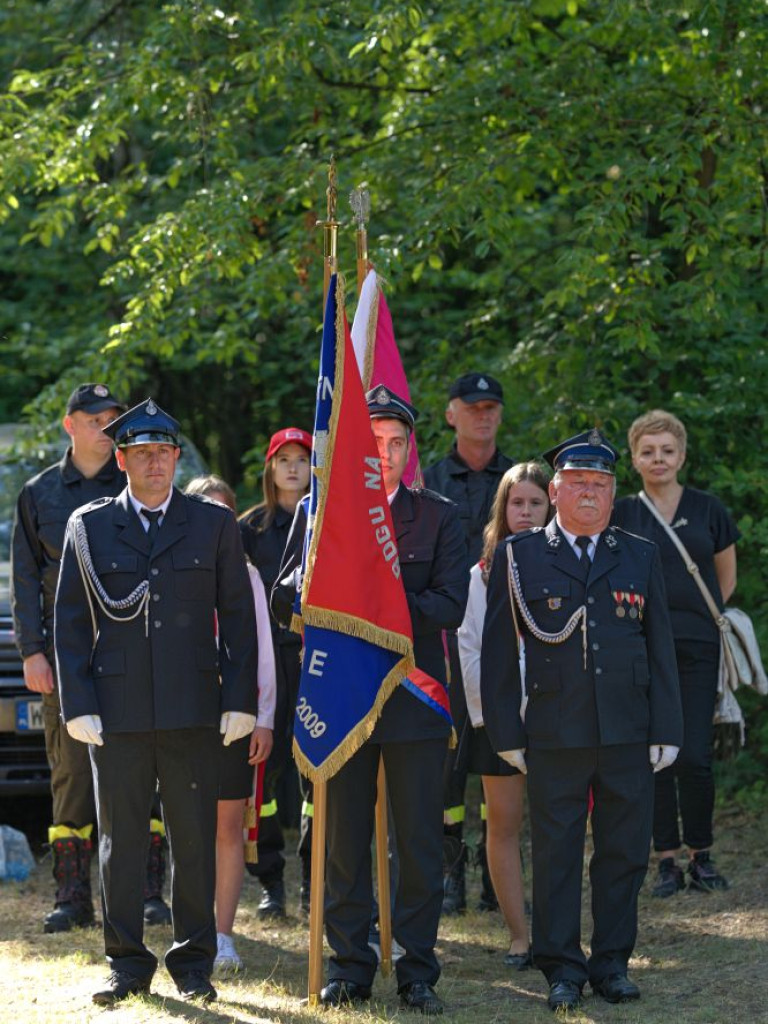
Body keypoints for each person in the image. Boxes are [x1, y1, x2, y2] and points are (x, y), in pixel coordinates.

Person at [54, 398, 258, 1006]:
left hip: (194, 708)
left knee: (192, 839)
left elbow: (240, 620)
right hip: (114, 713)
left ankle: (194, 964)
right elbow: (67, 622)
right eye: (141, 454)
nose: (154, 465)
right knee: (120, 842)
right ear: (121, 460)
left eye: (164, 454)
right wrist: (78, 702)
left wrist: (240, 698)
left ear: (175, 458)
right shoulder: (87, 527)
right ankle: (126, 964)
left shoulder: (212, 523)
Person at [273, 385, 468, 1015]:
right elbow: (282, 599)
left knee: (418, 843)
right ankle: (350, 965)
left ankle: (416, 970)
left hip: (413, 702)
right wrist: (312, 587)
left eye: (394, 442)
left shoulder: (438, 515)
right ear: (353, 449)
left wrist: (375, 610)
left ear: (409, 449)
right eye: (371, 441)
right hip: (339, 697)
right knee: (342, 842)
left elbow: (449, 603)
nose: (382, 453)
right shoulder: (315, 513)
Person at [481, 429, 683, 1012]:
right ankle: (562, 967)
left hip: (627, 730)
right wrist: (505, 733)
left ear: (613, 494)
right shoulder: (520, 557)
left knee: (623, 852)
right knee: (557, 853)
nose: (590, 495)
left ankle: (613, 963)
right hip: (554, 730)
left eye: (600, 485)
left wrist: (667, 728)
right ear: (558, 490)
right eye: (579, 485)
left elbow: (660, 646)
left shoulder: (639, 554)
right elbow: (497, 654)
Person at [10, 383, 171, 933]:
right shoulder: (40, 494)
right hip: (65, 658)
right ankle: (72, 896)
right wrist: (32, 651)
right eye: (95, 418)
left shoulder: (136, 485)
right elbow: (26, 581)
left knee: (142, 774)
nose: (106, 427)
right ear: (69, 424)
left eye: (113, 418)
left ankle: (148, 892)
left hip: (132, 653)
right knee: (72, 777)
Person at [612, 410, 739, 896]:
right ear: (635, 458)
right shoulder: (624, 513)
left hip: (697, 646)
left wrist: (697, 618)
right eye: (649, 451)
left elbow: (724, 579)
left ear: (682, 455)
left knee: (694, 756)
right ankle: (665, 860)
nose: (658, 459)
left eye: (667, 450)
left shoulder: (709, 509)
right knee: (654, 755)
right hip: (640, 649)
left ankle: (700, 855)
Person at [423, 372, 514, 915]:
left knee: (501, 758)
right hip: (442, 640)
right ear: (451, 413)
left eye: (491, 407)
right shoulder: (429, 481)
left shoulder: (521, 482)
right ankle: (449, 871)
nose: (483, 415)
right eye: (472, 406)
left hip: (508, 640)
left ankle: (492, 875)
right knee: (447, 762)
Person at [458, 462, 551, 969]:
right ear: (502, 507)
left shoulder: (570, 565)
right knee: (505, 825)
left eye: (537, 503)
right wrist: (492, 718)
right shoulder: (483, 572)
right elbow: (469, 648)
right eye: (518, 503)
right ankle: (520, 936)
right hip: (501, 720)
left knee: (561, 828)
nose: (527, 512)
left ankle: (560, 932)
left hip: (562, 717)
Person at [184, 475, 276, 975]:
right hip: (183, 717)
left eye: (225, 511)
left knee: (226, 829)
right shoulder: (175, 570)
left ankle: (221, 935)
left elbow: (262, 654)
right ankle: (190, 931)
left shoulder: (248, 575)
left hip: (234, 717)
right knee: (187, 826)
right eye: (205, 508)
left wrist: (264, 719)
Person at [238, 426, 313, 918]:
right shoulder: (247, 529)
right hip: (268, 661)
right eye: (282, 458)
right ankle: (271, 880)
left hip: (313, 658)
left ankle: (315, 876)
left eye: (301, 459)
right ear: (269, 468)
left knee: (316, 772)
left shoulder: (325, 522)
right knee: (263, 774)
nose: (291, 467)